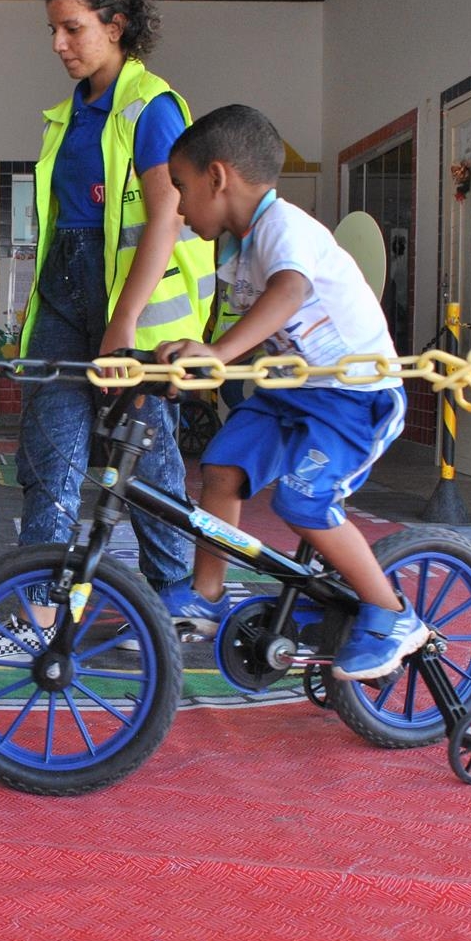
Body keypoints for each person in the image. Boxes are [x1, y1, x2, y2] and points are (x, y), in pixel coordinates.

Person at [0, 0, 216, 656]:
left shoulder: (152, 108)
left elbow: (165, 218)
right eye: (52, 30)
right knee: (50, 454)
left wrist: (120, 327)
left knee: (143, 459)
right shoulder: (68, 116)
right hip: (63, 293)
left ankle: (176, 597)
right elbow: (66, 229)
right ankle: (45, 615)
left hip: (135, 312)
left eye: (73, 28)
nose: (59, 43)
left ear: (115, 25)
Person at [158, 104, 416, 681]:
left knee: (302, 502)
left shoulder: (284, 228)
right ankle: (206, 592)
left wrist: (218, 355)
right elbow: (255, 327)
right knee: (221, 468)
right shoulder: (238, 250)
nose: (177, 205)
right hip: (293, 393)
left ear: (217, 178)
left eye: (181, 187)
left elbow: (290, 293)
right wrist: (192, 355)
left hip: (355, 398)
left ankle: (390, 613)